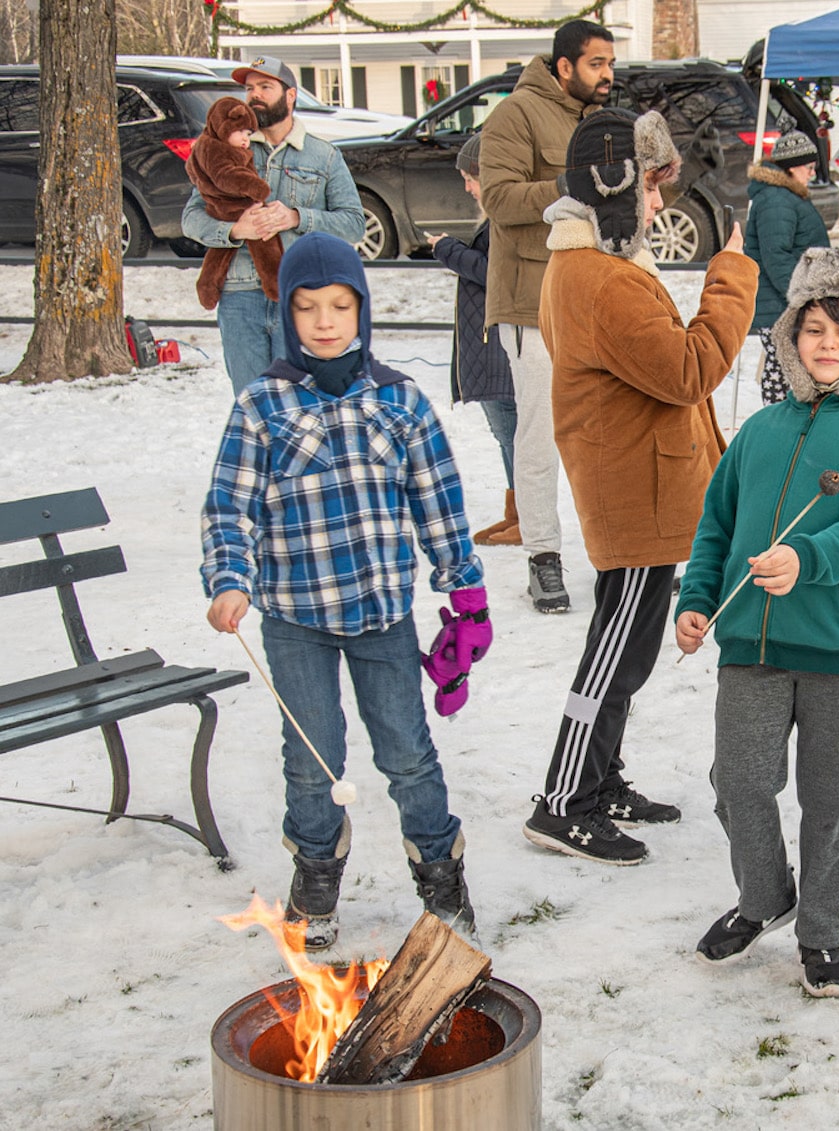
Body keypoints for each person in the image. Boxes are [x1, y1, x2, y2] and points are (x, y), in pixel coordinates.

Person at [201, 232, 485, 950]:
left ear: (361, 308)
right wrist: (230, 579)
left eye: (339, 305)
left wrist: (465, 590)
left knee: (407, 753)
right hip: (295, 619)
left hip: (382, 614)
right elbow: (228, 507)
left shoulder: (399, 401)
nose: (325, 321)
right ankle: (317, 869)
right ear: (286, 316)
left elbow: (438, 501)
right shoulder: (261, 406)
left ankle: (439, 873)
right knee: (312, 756)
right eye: (307, 307)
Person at [677, 247, 839, 997]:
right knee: (739, 783)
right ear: (790, 334)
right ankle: (764, 897)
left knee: (829, 799)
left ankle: (821, 932)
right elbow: (716, 526)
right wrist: (696, 600)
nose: (828, 344)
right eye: (815, 327)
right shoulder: (760, 430)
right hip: (750, 642)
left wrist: (807, 558)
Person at [523, 109, 757, 865]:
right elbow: (689, 368)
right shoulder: (602, 280)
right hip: (634, 491)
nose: (659, 205)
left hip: (637, 483)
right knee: (613, 654)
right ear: (615, 192)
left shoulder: (592, 265)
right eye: (650, 191)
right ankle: (564, 799)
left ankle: (598, 778)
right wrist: (730, 276)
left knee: (626, 649)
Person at [479, 20, 616, 614]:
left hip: (594, 298)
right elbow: (499, 200)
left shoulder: (605, 122)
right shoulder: (516, 115)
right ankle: (543, 559)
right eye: (595, 64)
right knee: (540, 435)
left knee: (607, 431)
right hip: (532, 300)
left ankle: (618, 553)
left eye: (611, 63)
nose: (608, 74)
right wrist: (567, 184)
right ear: (564, 67)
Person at [182, 56, 365, 396]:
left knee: (301, 403)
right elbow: (190, 219)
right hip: (238, 298)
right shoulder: (223, 152)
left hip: (300, 297)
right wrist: (235, 231)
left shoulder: (322, 156)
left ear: (290, 95)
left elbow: (354, 224)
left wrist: (297, 217)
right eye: (249, 88)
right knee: (253, 406)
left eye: (265, 87)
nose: (255, 95)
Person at [428, 134, 521, 545]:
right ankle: (516, 511)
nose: (467, 187)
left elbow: (494, 274)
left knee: (512, 432)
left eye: (472, 177)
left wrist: (447, 250)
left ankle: (525, 519)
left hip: (500, 347)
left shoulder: (506, 218)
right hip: (490, 344)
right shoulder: (496, 219)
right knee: (505, 434)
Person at [744, 130, 830, 404]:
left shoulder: (782, 196)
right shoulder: (776, 199)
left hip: (784, 303)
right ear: (793, 167)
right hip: (781, 305)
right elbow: (776, 257)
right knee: (785, 370)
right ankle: (780, 425)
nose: (811, 174)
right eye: (809, 167)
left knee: (783, 369)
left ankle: (781, 423)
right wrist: (801, 296)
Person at [185, 97, 283, 312]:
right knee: (266, 240)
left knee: (220, 252)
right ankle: (276, 283)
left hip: (224, 204)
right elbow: (225, 176)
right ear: (224, 126)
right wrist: (255, 187)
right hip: (233, 204)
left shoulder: (207, 144)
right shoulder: (216, 148)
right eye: (241, 133)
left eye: (248, 134)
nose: (246, 140)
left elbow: (192, 170)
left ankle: (207, 286)